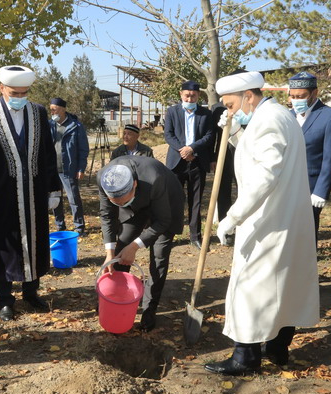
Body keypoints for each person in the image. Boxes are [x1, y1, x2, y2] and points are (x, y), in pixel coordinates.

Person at [204, 70, 319, 376]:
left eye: (230, 105)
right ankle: (278, 349)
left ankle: (246, 356)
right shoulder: (274, 116)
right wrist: (237, 132)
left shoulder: (269, 120)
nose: (229, 111)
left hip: (268, 218)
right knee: (281, 286)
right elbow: (257, 155)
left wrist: (232, 216)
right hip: (281, 217)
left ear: (249, 96)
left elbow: (264, 176)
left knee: (249, 286)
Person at [0, 65, 61, 322]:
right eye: (14, 92)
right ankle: (4, 299)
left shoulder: (38, 112)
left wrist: (53, 189)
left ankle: (31, 293)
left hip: (34, 190)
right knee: (3, 244)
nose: (20, 97)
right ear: (2, 89)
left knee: (35, 241)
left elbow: (47, 153)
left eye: (24, 92)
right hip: (1, 193)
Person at [98, 155, 184, 331]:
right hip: (136, 207)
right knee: (122, 247)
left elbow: (163, 221)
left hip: (166, 201)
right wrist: (109, 252)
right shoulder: (103, 178)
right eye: (117, 203)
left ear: (134, 184)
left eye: (123, 201)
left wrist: (136, 246)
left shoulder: (155, 178)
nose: (120, 204)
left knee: (159, 256)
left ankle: (149, 309)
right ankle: (117, 297)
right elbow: (107, 216)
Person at [288, 71, 331, 240]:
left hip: (310, 185)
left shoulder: (330, 117)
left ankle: (307, 263)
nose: (296, 101)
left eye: (301, 96)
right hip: (286, 183)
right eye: (292, 96)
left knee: (306, 231)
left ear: (314, 93)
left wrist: (321, 191)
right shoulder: (288, 116)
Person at [164, 80, 215, 250]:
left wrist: (192, 148)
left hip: (197, 161)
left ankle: (195, 236)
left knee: (196, 202)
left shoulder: (206, 114)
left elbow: (209, 136)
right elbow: (168, 135)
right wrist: (183, 150)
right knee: (174, 200)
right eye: (187, 95)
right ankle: (171, 234)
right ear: (181, 95)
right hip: (177, 162)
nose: (190, 98)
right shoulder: (172, 112)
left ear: (198, 96)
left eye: (193, 95)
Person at [48, 97, 89, 235]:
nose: (52, 111)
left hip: (69, 169)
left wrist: (81, 168)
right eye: (51, 108)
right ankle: (60, 226)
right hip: (53, 170)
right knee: (55, 199)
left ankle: (79, 227)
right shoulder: (49, 125)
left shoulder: (75, 126)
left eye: (55, 108)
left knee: (73, 199)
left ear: (63, 109)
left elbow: (83, 149)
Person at [210, 103, 236, 240]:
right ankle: (226, 228)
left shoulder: (247, 103)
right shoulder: (218, 108)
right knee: (223, 192)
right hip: (223, 155)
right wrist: (213, 158)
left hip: (243, 154)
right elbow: (213, 134)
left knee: (244, 191)